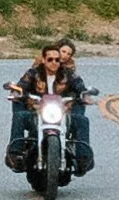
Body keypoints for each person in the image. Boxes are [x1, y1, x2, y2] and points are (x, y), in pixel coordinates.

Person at [5, 39, 94, 175]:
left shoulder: (68, 73)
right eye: (50, 59)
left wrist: (85, 94)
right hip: (37, 111)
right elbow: (20, 86)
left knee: (82, 120)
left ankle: (83, 158)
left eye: (57, 60)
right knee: (19, 116)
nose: (54, 63)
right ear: (43, 60)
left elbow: (79, 86)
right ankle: (16, 153)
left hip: (61, 113)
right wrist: (17, 92)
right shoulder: (33, 73)